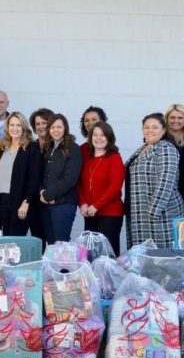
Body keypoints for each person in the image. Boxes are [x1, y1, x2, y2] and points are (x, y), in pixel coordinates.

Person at [125, 113, 184, 249]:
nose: (150, 130)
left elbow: (166, 181)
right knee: (145, 260)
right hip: (140, 213)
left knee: (164, 259)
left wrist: (153, 212)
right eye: (146, 127)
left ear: (163, 130)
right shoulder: (141, 149)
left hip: (161, 215)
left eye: (155, 127)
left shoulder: (165, 148)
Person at [77, 122, 125, 255]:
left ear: (109, 138)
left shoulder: (114, 158)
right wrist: (83, 203)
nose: (98, 138)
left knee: (108, 253)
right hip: (90, 213)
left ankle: (111, 276)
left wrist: (96, 205)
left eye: (102, 135)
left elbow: (115, 186)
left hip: (110, 214)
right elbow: (80, 184)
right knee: (91, 253)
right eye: (95, 135)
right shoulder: (88, 159)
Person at [0, 112, 42, 236]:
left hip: (20, 201)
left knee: (15, 240)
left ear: (24, 128)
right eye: (12, 125)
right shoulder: (4, 147)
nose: (15, 128)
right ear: (7, 127)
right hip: (3, 200)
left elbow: (34, 178)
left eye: (18, 125)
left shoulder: (31, 147)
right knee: (5, 238)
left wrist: (26, 202)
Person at [40, 113, 82, 245]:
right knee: (51, 243)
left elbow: (70, 179)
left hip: (64, 205)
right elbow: (41, 174)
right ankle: (54, 267)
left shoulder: (73, 148)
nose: (55, 130)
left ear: (65, 128)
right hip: (46, 204)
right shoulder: (48, 148)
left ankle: (63, 267)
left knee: (61, 244)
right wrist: (41, 192)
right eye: (52, 127)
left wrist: (48, 195)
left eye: (59, 127)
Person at [28, 108, 54, 244]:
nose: (41, 126)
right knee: (37, 239)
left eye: (44, 122)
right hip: (34, 201)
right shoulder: (30, 146)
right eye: (37, 124)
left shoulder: (59, 146)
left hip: (52, 200)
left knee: (53, 240)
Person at [165, 104, 184, 199]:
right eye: (172, 117)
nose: (176, 121)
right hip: (166, 190)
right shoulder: (160, 139)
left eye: (180, 118)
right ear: (167, 119)